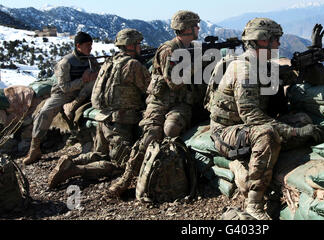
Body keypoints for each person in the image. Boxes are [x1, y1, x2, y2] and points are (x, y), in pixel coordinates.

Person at [204, 18, 324, 220]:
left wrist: (313, 55)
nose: (279, 44)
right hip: (226, 133)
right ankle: (254, 203)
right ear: (262, 41)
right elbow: (252, 117)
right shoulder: (244, 70)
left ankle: (255, 160)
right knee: (268, 134)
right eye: (275, 39)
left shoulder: (262, 66)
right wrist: (295, 132)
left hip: (246, 129)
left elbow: (302, 79)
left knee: (302, 119)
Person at [108, 10, 203, 197]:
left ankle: (168, 177)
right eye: (195, 26)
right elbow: (174, 82)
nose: (198, 28)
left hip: (181, 103)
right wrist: (196, 64)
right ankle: (127, 178)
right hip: (160, 101)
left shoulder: (194, 48)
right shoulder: (169, 50)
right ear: (187, 29)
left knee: (171, 129)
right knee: (150, 135)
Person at [47, 28, 151, 188]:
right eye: (138, 44)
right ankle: (74, 170)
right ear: (130, 46)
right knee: (120, 165)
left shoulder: (110, 62)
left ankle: (71, 161)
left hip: (102, 118)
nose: (140, 47)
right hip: (120, 121)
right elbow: (148, 89)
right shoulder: (133, 65)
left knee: (101, 153)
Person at [23, 32, 99, 165]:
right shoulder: (65, 62)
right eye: (87, 45)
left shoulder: (90, 59)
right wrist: (82, 80)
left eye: (91, 45)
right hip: (64, 93)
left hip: (83, 92)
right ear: (78, 45)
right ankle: (34, 149)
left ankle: (75, 106)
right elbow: (64, 87)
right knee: (45, 112)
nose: (90, 48)